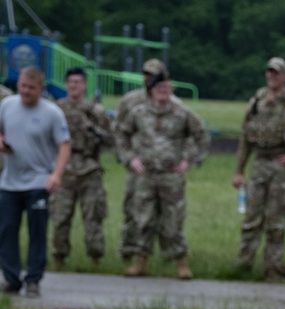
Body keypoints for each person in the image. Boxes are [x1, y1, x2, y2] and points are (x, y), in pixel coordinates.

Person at [116, 74, 209, 279]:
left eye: (167, 86)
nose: (163, 90)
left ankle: (181, 264)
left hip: (171, 176)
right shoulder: (138, 112)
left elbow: (201, 135)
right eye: (159, 86)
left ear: (172, 89)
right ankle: (140, 262)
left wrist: (189, 159)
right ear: (151, 89)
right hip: (145, 175)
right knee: (143, 218)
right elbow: (122, 134)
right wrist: (130, 159)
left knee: (173, 219)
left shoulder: (182, 113)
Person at [233, 56, 285, 282]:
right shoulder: (257, 100)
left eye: (277, 73)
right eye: (269, 72)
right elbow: (245, 137)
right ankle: (244, 263)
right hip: (259, 162)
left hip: (281, 166)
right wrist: (239, 170)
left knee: (276, 221)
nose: (272, 76)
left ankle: (272, 269)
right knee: (252, 218)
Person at [0, 66, 70, 296]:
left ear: (41, 88)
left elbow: (64, 145)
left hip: (39, 181)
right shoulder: (7, 105)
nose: (26, 91)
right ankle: (11, 278)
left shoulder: (52, 112)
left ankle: (33, 279)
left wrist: (56, 175)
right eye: (22, 86)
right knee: (7, 231)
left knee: (37, 232)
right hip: (10, 181)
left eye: (31, 87)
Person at [50, 66, 113, 271]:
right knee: (60, 216)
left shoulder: (95, 110)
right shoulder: (56, 109)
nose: (73, 86)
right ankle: (59, 258)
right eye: (70, 82)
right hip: (64, 169)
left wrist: (92, 127)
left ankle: (96, 259)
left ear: (85, 85)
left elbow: (110, 139)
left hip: (89, 168)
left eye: (77, 82)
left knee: (93, 216)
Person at [113, 56, 167, 267]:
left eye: (153, 75)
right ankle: (129, 248)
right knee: (132, 207)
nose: (149, 78)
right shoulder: (131, 100)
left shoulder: (168, 100)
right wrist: (126, 157)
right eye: (146, 74)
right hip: (138, 164)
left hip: (163, 167)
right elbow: (118, 131)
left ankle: (162, 252)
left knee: (162, 211)